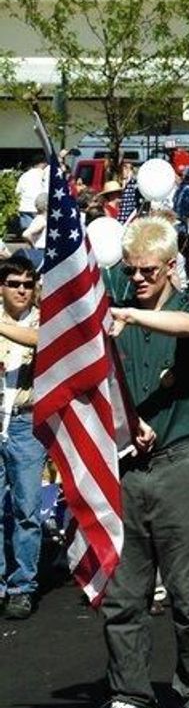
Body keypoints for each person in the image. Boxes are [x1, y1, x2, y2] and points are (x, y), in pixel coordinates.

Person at [95, 215, 189, 708]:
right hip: (126, 469)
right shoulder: (116, 304)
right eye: (131, 270)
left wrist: (131, 313)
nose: (138, 279)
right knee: (122, 597)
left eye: (148, 270)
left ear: (172, 266)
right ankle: (129, 694)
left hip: (179, 465)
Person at [0, 256, 46, 620]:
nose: (21, 290)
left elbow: (40, 341)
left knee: (26, 508)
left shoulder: (45, 320)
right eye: (14, 283)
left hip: (26, 423)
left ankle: (22, 585)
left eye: (27, 285)